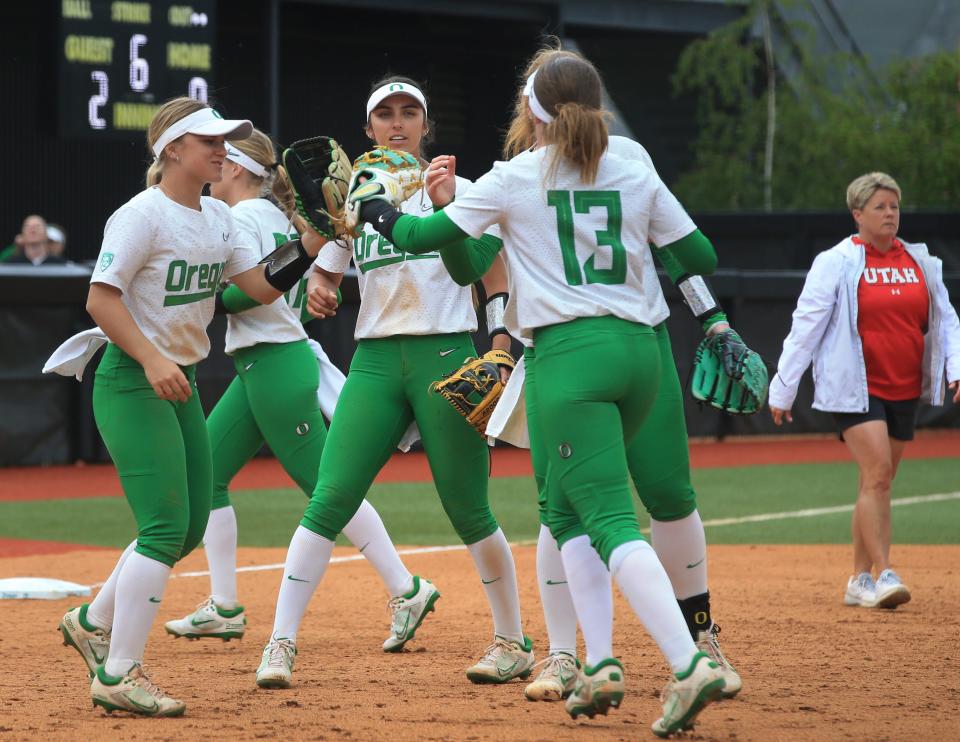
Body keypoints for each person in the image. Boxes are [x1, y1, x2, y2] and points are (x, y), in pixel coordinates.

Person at [345, 51, 728, 737]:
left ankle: (686, 660)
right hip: (643, 348)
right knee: (570, 509)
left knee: (605, 521)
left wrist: (380, 212)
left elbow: (425, 237)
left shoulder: (516, 176)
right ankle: (600, 662)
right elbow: (699, 258)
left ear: (531, 112)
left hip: (569, 356)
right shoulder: (632, 164)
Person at [56, 97, 331, 717]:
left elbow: (257, 284)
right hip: (133, 378)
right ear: (172, 150)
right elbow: (101, 299)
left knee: (187, 529)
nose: (222, 150)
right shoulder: (142, 215)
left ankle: (91, 620)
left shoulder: (214, 217)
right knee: (163, 526)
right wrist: (152, 359)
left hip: (175, 379)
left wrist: (314, 239)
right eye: (209, 141)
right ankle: (119, 673)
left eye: (226, 142)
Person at [254, 75, 530, 691]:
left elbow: (493, 270)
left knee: (468, 507)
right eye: (386, 115)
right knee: (329, 498)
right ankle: (280, 643)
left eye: (410, 113)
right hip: (376, 362)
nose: (398, 123)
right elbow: (323, 271)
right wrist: (323, 283)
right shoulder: (355, 195)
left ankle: (512, 640)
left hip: (446, 354)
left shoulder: (457, 188)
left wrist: (501, 343)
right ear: (369, 129)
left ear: (426, 126)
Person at [163, 128, 439, 651]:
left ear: (239, 169)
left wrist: (208, 300)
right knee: (211, 476)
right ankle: (224, 605)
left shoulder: (242, 217)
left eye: (225, 159)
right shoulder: (274, 216)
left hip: (275, 363)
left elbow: (249, 296)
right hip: (267, 363)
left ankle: (407, 587)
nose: (216, 164)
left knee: (327, 490)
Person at [769, 171, 960, 609]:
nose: (890, 214)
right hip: (854, 386)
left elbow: (946, 319)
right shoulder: (835, 262)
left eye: (894, 206)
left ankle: (858, 579)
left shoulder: (920, 261)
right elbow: (806, 326)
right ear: (858, 214)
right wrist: (783, 387)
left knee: (876, 482)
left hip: (904, 384)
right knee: (877, 477)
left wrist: (955, 366)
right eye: (880, 207)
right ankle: (886, 572)